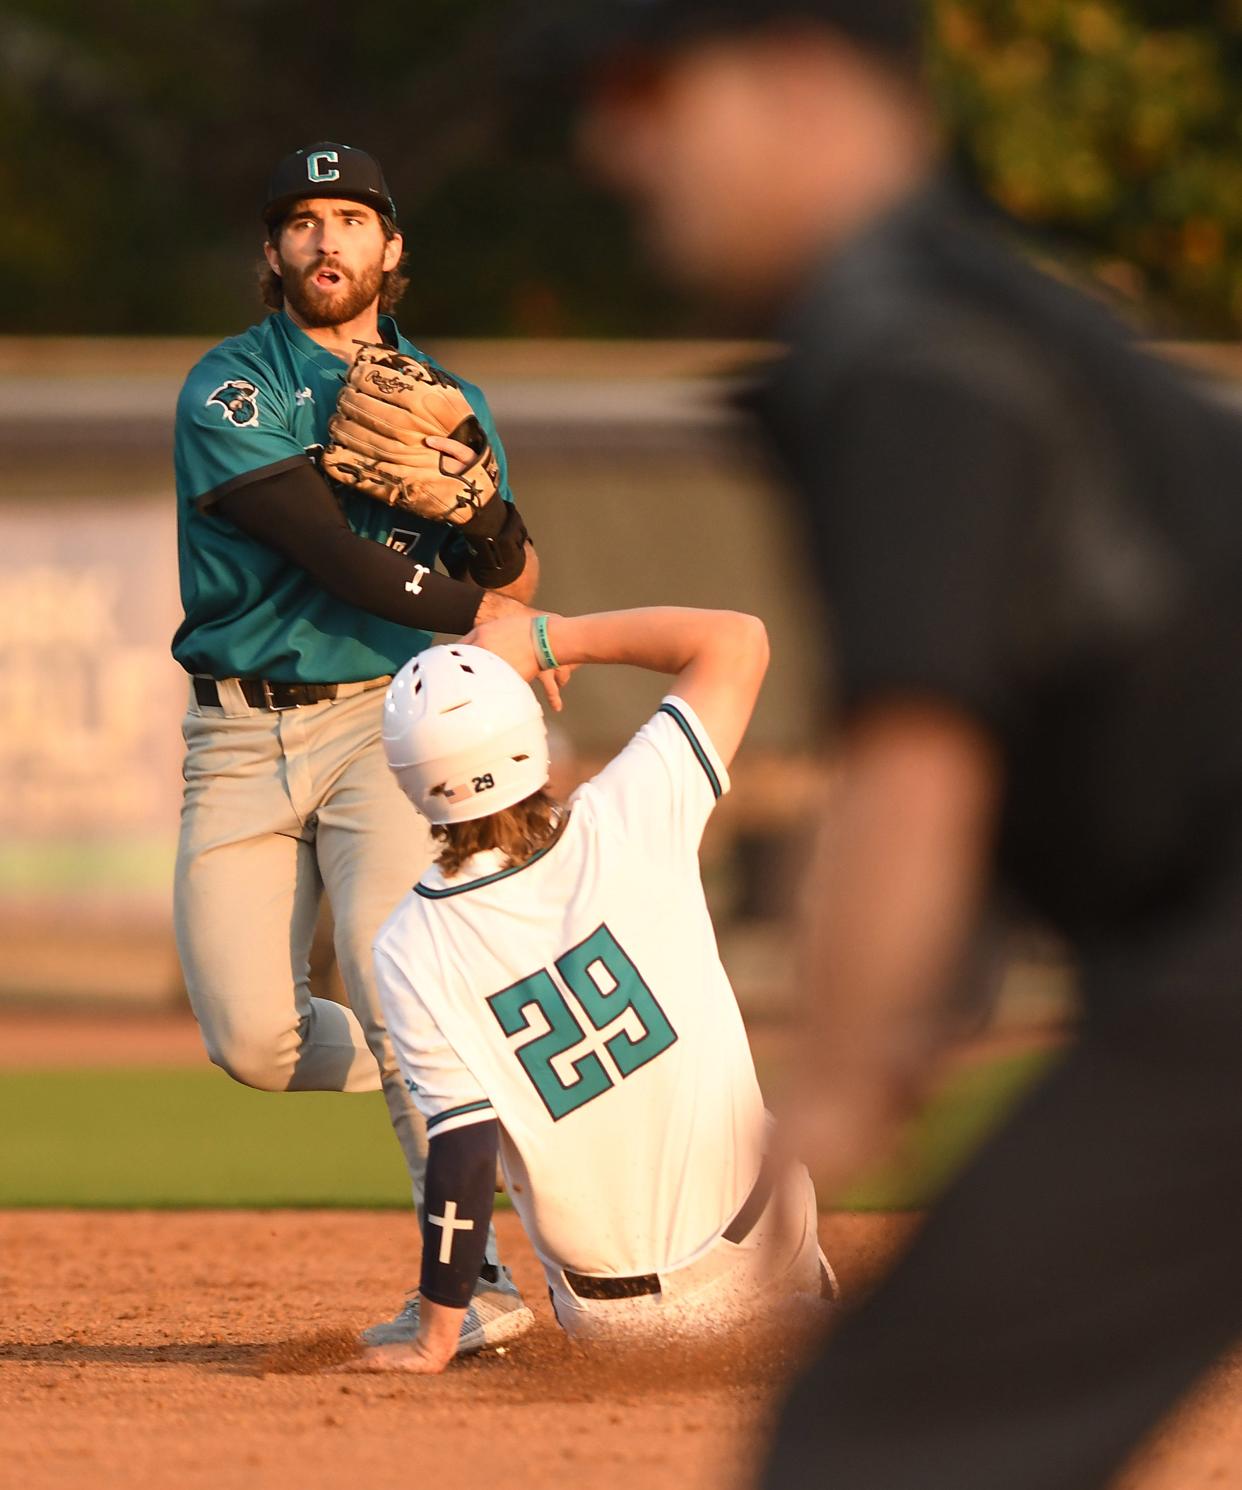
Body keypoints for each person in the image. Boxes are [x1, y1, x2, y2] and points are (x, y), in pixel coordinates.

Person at [534, 3, 1242, 1487]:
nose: (613, 141)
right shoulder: (965, 311)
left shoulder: (906, 350)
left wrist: (844, 1088)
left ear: (799, 81)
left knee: (879, 1443)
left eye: (649, 82)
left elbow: (919, 758)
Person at [172, 140, 554, 1352]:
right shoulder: (231, 387)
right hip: (235, 741)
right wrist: (501, 613)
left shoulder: (449, 393)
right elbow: (329, 554)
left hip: (384, 728)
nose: (325, 239)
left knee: (402, 1004)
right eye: (302, 220)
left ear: (391, 247)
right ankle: (462, 1064)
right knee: (250, 1036)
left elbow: (516, 571)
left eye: (350, 217)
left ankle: (478, 1276)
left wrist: (486, 514)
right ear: (274, 253)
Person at [359, 607, 836, 1373]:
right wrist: (546, 638)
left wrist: (435, 1338)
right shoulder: (630, 813)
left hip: (611, 1326)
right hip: (759, 1267)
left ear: (412, 781)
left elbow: (463, 1152)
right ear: (533, 742)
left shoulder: (408, 944)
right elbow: (737, 639)